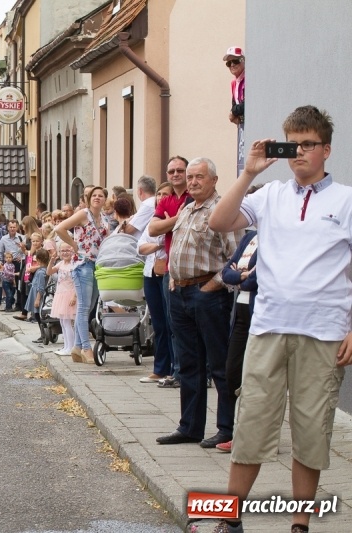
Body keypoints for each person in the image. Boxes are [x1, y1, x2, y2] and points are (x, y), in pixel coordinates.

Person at [208, 106, 352, 533]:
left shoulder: (345, 200)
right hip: (269, 326)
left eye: (309, 144)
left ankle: (300, 524)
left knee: (312, 431)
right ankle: (228, 520)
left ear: (326, 149)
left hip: (323, 331)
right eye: (294, 144)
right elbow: (220, 221)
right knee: (251, 423)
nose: (300, 153)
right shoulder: (270, 196)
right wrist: (250, 172)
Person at [155, 157, 241, 451]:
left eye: (198, 177)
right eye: (189, 177)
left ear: (214, 180)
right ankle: (190, 427)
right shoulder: (185, 210)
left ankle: (226, 429)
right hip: (179, 293)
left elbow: (236, 257)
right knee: (189, 364)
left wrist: (211, 286)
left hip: (208, 294)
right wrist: (172, 278)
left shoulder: (222, 211)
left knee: (219, 364)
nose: (191, 182)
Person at [53, 186, 110, 363]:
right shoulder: (84, 214)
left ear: (105, 200)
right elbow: (60, 228)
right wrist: (73, 244)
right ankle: (86, 348)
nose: (97, 198)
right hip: (83, 264)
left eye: (101, 196)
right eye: (94, 195)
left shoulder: (104, 218)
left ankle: (77, 347)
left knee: (89, 306)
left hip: (97, 265)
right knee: (83, 307)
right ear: (88, 198)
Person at [216, 218, 258, 454]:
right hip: (240, 311)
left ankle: (250, 436)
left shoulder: (276, 241)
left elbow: (257, 279)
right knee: (232, 373)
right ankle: (234, 431)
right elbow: (226, 272)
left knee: (255, 376)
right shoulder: (249, 238)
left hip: (259, 312)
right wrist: (240, 276)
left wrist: (241, 276)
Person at [148, 156, 190, 389]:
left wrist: (169, 223)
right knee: (173, 323)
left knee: (191, 326)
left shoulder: (193, 197)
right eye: (171, 171)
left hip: (192, 269)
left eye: (180, 170)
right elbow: (153, 229)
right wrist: (177, 219)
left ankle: (196, 372)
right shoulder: (167, 200)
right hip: (170, 269)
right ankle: (177, 371)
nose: (175, 174)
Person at [137, 182, 174, 384]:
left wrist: (156, 245)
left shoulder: (176, 219)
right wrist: (160, 244)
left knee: (172, 324)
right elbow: (140, 247)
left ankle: (175, 369)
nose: (160, 198)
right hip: (151, 273)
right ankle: (160, 369)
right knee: (158, 324)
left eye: (165, 194)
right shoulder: (154, 220)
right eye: (159, 194)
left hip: (168, 273)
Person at [48, 242, 78, 359]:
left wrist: (74, 296)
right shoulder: (60, 264)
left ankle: (71, 347)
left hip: (69, 294)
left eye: (67, 250)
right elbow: (49, 272)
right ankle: (66, 346)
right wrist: (51, 261)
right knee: (62, 322)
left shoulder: (73, 265)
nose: (65, 253)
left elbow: (76, 282)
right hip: (60, 294)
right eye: (62, 251)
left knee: (67, 322)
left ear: (72, 251)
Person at [0, 219, 26, 312]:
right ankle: (9, 303)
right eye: (10, 227)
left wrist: (22, 258)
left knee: (19, 285)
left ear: (17, 227)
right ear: (7, 228)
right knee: (8, 285)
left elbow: (26, 251)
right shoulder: (4, 239)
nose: (12, 229)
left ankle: (19, 305)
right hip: (8, 264)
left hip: (18, 263)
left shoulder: (22, 238)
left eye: (14, 227)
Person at [24, 248, 49, 325]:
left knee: (38, 314)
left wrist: (37, 299)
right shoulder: (42, 270)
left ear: (38, 259)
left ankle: (43, 333)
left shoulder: (41, 272)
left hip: (37, 295)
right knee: (36, 314)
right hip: (35, 293)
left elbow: (40, 287)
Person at [224, 47, 245, 125]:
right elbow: (234, 104)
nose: (232, 65)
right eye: (229, 63)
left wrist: (233, 112)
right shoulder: (234, 83)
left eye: (235, 61)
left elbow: (247, 104)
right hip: (242, 124)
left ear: (243, 61)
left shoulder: (249, 79)